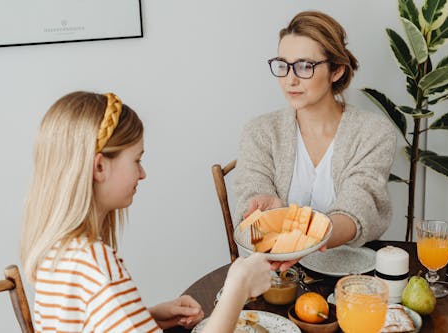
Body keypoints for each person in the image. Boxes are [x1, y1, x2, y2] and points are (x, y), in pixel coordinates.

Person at [20, 91, 274, 333]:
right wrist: (237, 288)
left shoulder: (59, 251)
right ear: (99, 168)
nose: (143, 174)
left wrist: (146, 317)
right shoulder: (94, 262)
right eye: (136, 160)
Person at [233, 11, 397, 261]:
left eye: (304, 66)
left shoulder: (373, 133)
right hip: (275, 274)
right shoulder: (259, 132)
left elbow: (358, 207)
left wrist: (304, 238)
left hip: (350, 275)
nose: (290, 79)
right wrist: (262, 211)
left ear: (337, 71)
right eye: (283, 65)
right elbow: (251, 209)